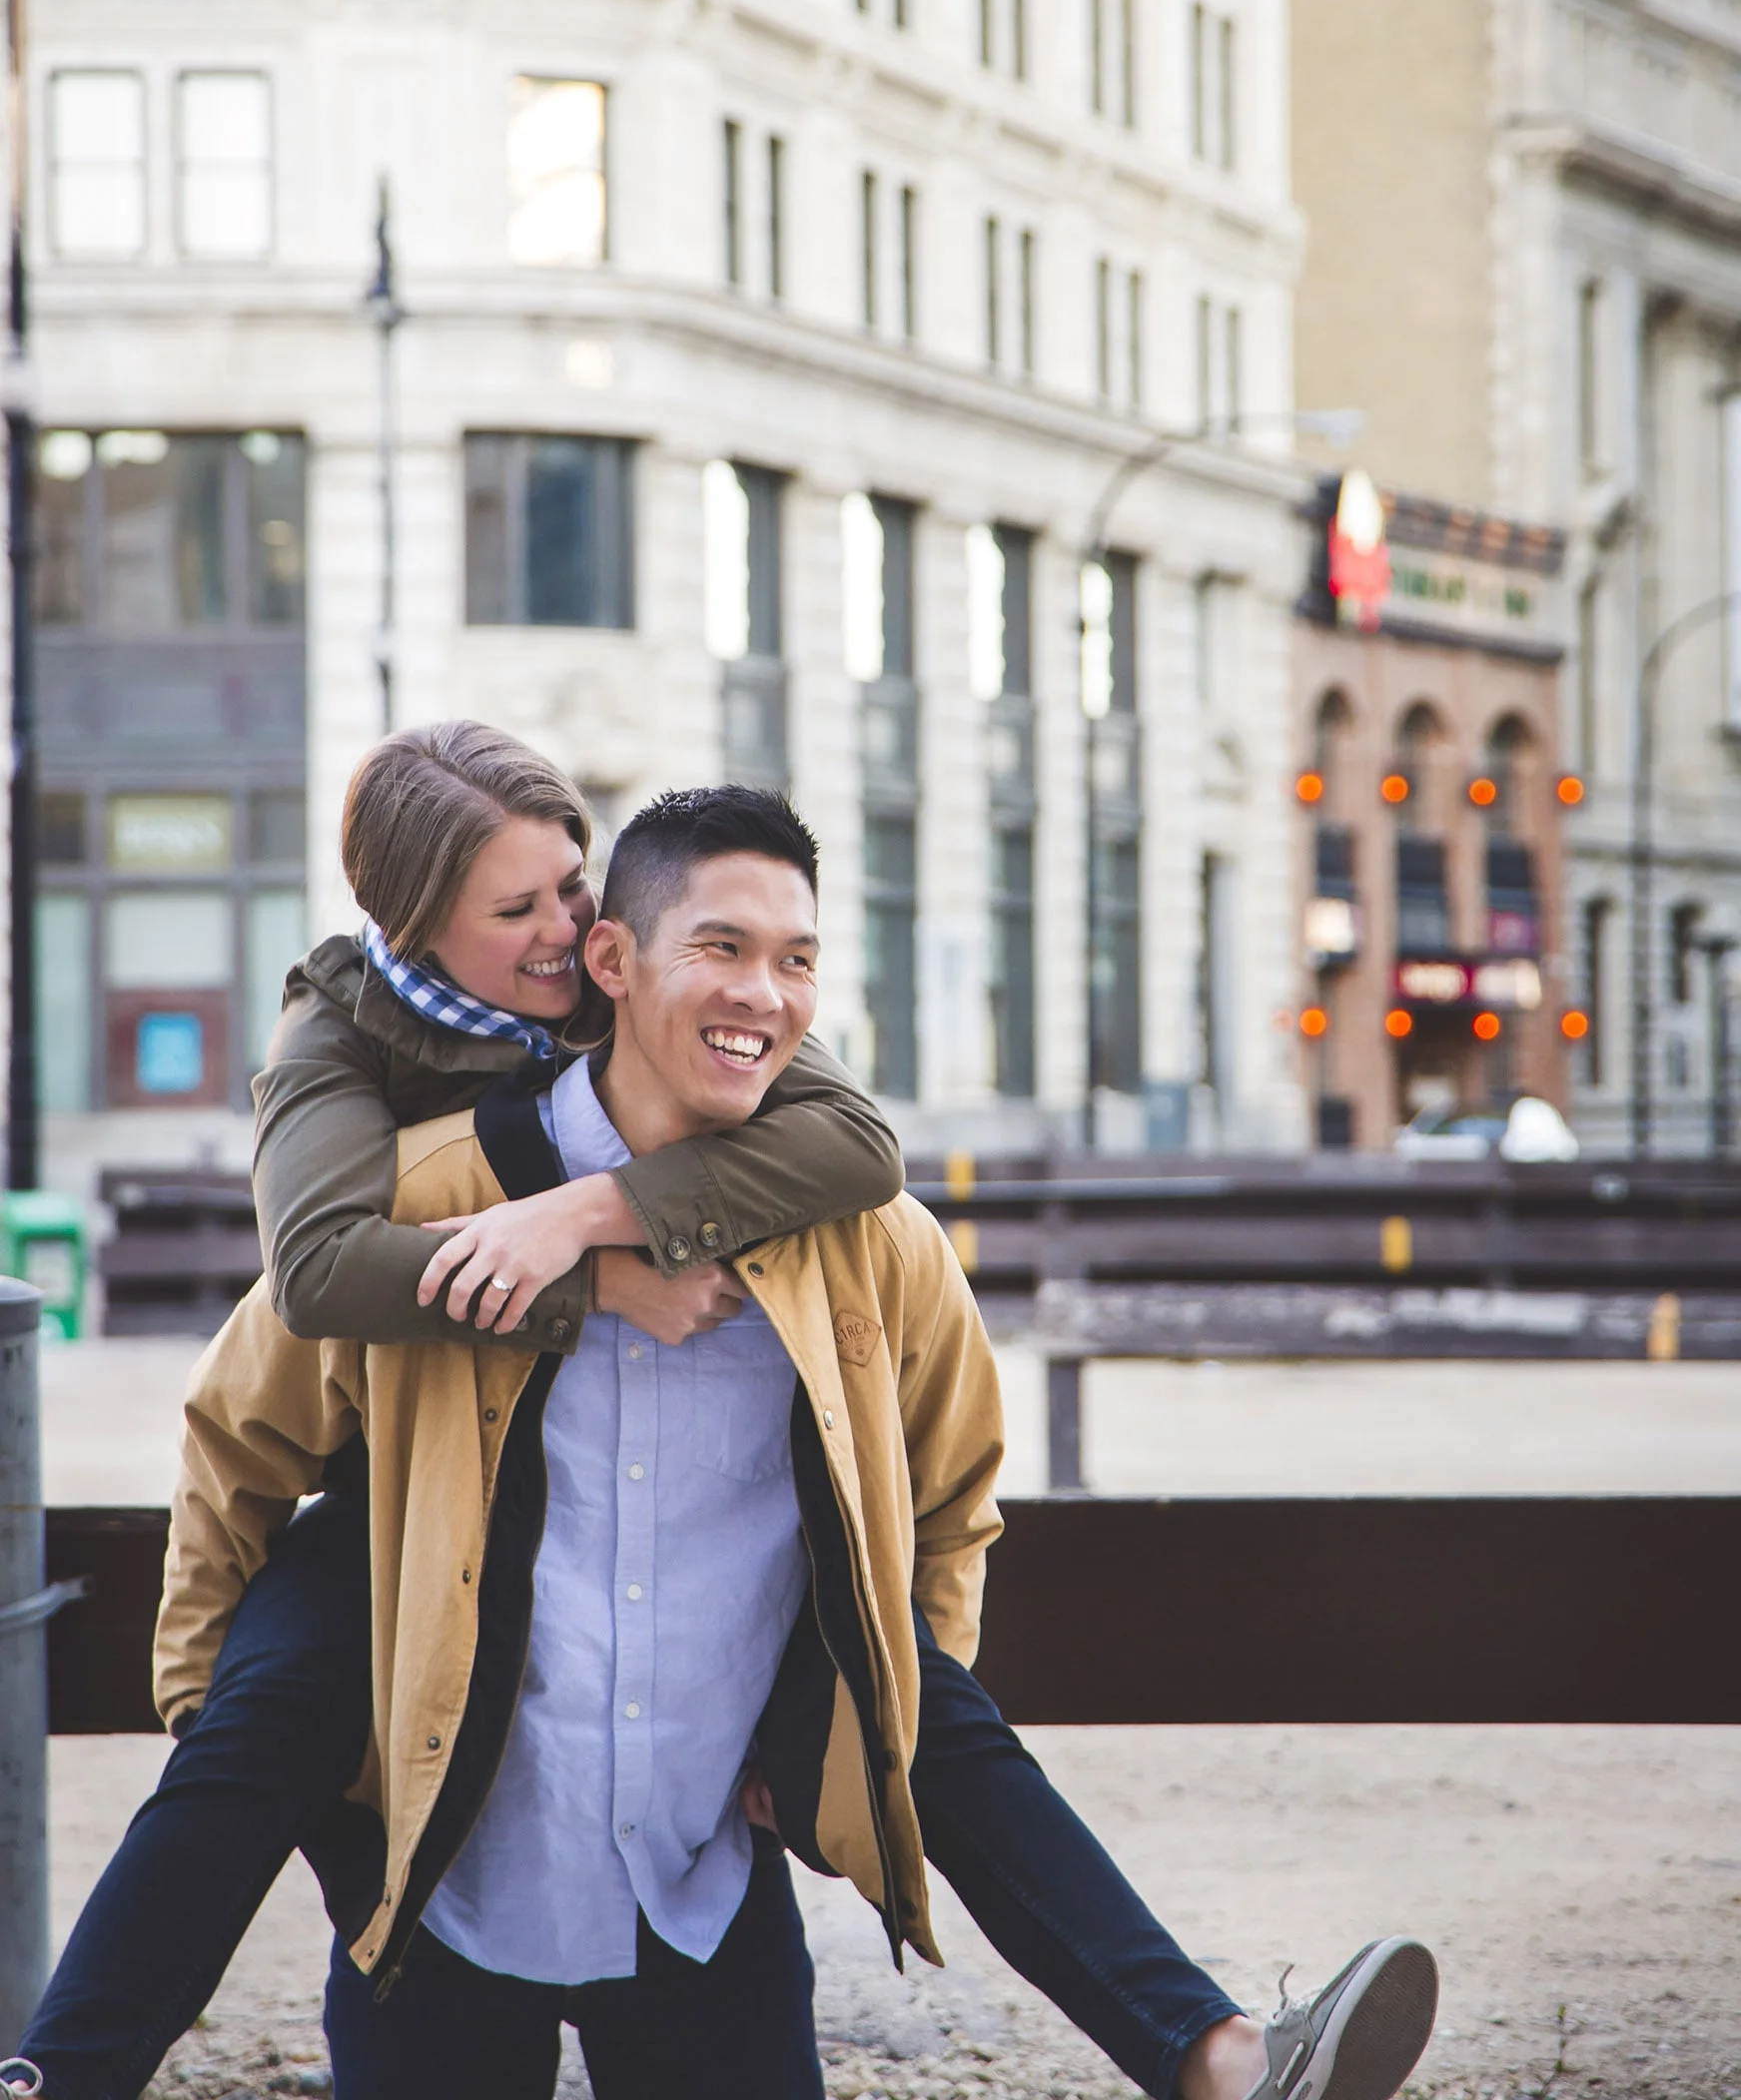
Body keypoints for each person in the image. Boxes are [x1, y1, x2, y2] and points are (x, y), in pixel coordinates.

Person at [8, 785, 1439, 2100]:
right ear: (613, 963)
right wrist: (203, 1695)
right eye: (723, 947)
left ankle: (1222, 2062)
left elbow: (948, 1502)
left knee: (931, 1713)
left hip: (697, 1880)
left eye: (799, 960)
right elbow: (239, 1440)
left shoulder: (871, 1242)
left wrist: (846, 1727)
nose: (765, 993)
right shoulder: (431, 1195)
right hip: (443, 1883)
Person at [9, 727, 906, 2100]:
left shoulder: (635, 974)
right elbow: (309, 1281)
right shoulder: (343, 1025)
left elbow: (852, 1141)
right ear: (413, 927)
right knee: (247, 1744)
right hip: (405, 1479)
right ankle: (56, 2078)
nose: (567, 929)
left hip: (616, 1491)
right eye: (517, 911)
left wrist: (591, 1211)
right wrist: (592, 1285)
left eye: (570, 884)